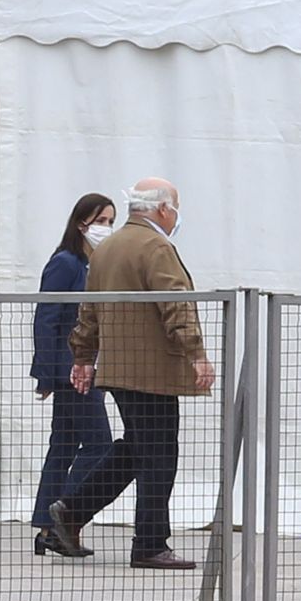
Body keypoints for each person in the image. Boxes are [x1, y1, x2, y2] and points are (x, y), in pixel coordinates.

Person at [51, 177, 214, 570]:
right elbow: (176, 303)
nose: (176, 216)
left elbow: (87, 309)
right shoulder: (156, 246)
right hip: (152, 370)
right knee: (160, 456)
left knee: (135, 448)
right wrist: (197, 354)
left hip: (119, 369)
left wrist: (84, 358)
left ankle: (71, 513)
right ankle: (150, 543)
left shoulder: (107, 247)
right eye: (175, 207)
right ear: (161, 209)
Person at [29, 192, 116, 558]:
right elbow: (46, 318)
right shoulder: (65, 263)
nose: (106, 228)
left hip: (83, 367)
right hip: (73, 371)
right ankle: (65, 513)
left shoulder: (92, 264)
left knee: (63, 445)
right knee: (99, 444)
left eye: (111, 221)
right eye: (101, 221)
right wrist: (49, 374)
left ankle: (48, 528)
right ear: (82, 222)